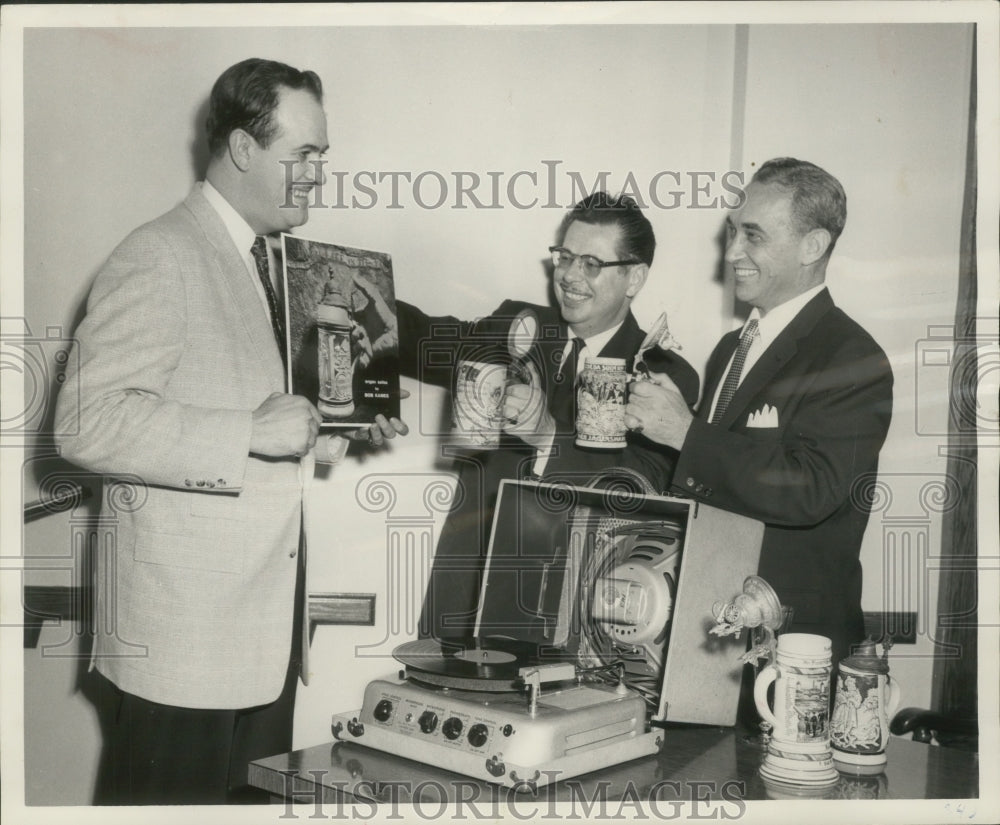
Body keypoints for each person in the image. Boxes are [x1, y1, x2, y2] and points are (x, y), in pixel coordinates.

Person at [54, 58, 405, 805]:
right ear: (244, 149)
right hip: (182, 657)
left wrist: (328, 429)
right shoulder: (160, 254)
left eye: (322, 156)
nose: (317, 174)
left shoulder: (270, 263)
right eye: (302, 156)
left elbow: (254, 419)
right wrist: (246, 430)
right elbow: (85, 423)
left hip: (260, 647)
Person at [624, 158, 894, 672]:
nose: (731, 253)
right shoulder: (733, 347)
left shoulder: (852, 357)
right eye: (732, 233)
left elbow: (812, 489)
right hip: (711, 636)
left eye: (753, 236)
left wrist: (687, 434)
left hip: (791, 651)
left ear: (812, 247)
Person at [396, 192, 699, 640]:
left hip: (568, 613)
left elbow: (641, 489)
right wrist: (362, 294)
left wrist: (546, 437)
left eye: (592, 264)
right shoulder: (513, 325)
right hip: (462, 598)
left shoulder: (663, 377)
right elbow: (424, 341)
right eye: (566, 257)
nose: (571, 276)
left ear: (635, 277)